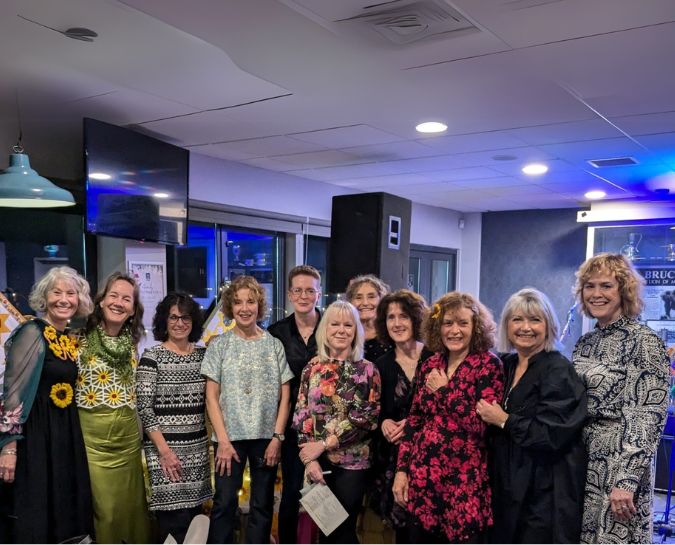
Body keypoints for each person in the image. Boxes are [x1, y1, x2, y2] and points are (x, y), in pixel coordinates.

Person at [476, 287, 587, 543]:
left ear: (548, 325)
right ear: (506, 325)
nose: (525, 327)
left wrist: (503, 419)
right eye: (517, 319)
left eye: (535, 320)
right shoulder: (506, 364)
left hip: (542, 493)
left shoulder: (558, 371)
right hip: (505, 486)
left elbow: (551, 434)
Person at [573, 253, 670, 544]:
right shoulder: (586, 341)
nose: (596, 294)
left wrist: (626, 482)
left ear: (623, 290)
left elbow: (648, 416)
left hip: (620, 463)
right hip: (585, 460)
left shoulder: (644, 340)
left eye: (606, 286)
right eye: (590, 286)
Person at [393, 291, 504, 543]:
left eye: (463, 323)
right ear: (437, 327)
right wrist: (402, 471)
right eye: (448, 323)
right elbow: (415, 420)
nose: (455, 330)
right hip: (423, 478)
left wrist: (445, 391)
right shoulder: (430, 364)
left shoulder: (487, 365)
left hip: (464, 482)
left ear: (475, 327)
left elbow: (481, 425)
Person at [0, 266, 94, 543]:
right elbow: (13, 392)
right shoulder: (32, 332)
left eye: (71, 293)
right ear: (45, 297)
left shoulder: (69, 338)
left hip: (64, 432)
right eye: (57, 292)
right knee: (37, 509)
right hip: (36, 436)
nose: (64, 299)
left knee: (64, 510)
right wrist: (9, 447)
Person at [201, 275, 293, 544]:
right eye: (238, 302)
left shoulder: (273, 344)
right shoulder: (219, 345)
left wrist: (277, 438)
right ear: (230, 306)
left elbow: (285, 397)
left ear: (259, 305)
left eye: (250, 301)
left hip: (266, 439)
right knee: (224, 504)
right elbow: (211, 397)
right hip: (229, 440)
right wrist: (223, 441)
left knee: (262, 506)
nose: (244, 308)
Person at [293, 300, 381, 544]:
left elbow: (366, 418)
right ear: (325, 329)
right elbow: (301, 412)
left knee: (342, 532)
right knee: (326, 530)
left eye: (348, 325)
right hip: (316, 461)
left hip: (353, 464)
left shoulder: (367, 370)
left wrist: (324, 444)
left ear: (356, 331)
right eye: (335, 324)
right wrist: (309, 459)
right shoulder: (312, 367)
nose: (341, 330)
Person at [76, 271, 152, 544]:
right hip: (93, 442)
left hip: (128, 440)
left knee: (132, 510)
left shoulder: (132, 344)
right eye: (114, 295)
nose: (119, 302)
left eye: (126, 299)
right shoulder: (78, 338)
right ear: (101, 300)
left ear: (133, 309)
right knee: (105, 512)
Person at [136, 292, 213, 543]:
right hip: (164, 454)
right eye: (173, 317)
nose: (179, 323)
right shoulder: (152, 356)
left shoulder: (204, 356)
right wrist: (165, 452)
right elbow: (145, 409)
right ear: (163, 321)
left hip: (198, 452)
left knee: (196, 525)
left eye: (186, 317)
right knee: (171, 528)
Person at [371, 289, 432, 543]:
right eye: (390, 317)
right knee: (405, 533)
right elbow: (376, 412)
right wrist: (384, 421)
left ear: (416, 319)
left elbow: (446, 408)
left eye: (403, 316)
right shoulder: (380, 365)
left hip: (431, 456)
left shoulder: (435, 358)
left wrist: (414, 423)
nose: (397, 323)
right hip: (395, 460)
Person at [267, 265, 322, 544]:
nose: (304, 295)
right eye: (298, 290)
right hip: (291, 428)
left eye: (310, 290)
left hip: (328, 429)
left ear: (319, 293)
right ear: (289, 294)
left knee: (327, 495)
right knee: (292, 492)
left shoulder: (332, 326)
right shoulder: (275, 332)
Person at [346, 275, 392, 363]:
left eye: (371, 297)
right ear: (350, 302)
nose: (365, 303)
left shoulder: (391, 334)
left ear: (381, 300)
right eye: (358, 297)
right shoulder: (344, 334)